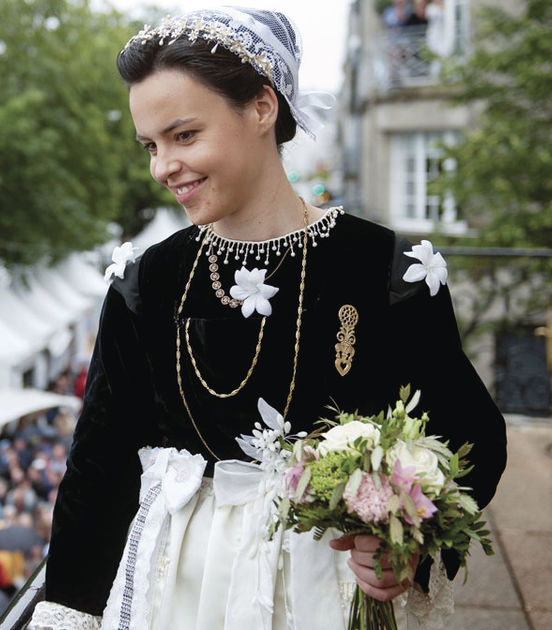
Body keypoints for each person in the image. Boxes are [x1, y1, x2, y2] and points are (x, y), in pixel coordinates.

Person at [30, 7, 506, 629]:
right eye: (151, 145)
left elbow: (469, 438)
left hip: (329, 594)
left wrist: (405, 542)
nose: (162, 167)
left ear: (261, 107)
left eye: (184, 136)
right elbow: (100, 464)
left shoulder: (387, 273)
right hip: (180, 592)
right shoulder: (146, 282)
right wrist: (66, 610)